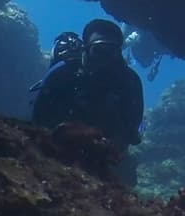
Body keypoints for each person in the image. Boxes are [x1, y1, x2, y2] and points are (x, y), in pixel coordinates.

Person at [30, 18, 145, 151]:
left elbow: (132, 130)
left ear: (118, 54)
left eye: (110, 52)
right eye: (98, 51)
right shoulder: (62, 74)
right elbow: (38, 118)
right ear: (86, 49)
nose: (104, 59)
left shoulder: (129, 83)